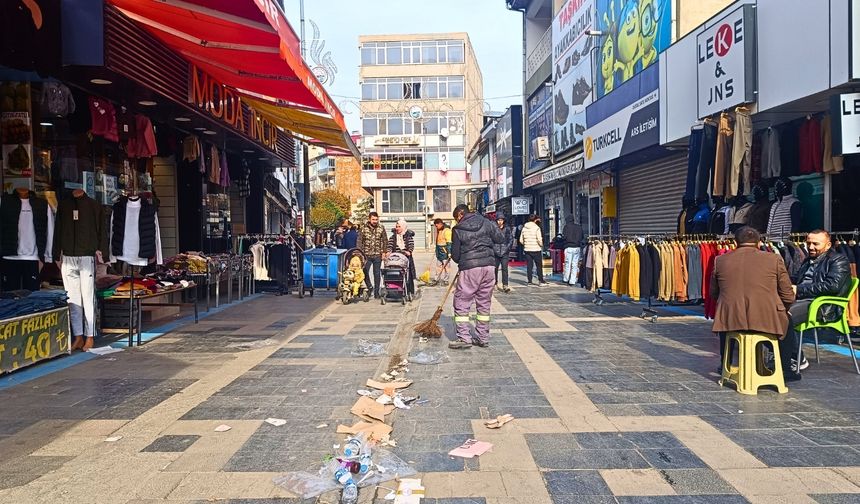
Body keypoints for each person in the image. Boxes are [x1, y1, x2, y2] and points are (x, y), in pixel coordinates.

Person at [710, 227, 797, 379]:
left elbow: (714, 293)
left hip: (731, 321)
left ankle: (725, 364)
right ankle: (785, 369)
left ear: (735, 242)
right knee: (787, 322)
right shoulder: (774, 259)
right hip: (766, 319)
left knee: (726, 316)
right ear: (759, 242)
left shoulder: (720, 260)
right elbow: (788, 295)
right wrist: (784, 308)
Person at [786, 229, 852, 374]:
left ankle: (797, 358)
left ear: (828, 245)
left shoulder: (838, 260)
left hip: (823, 305)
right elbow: (796, 279)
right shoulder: (808, 260)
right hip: (802, 300)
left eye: (816, 244)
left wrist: (799, 289)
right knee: (765, 312)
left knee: (783, 318)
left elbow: (832, 286)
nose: (810, 247)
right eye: (808, 243)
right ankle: (781, 354)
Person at [449, 204, 505, 349]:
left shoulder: (458, 229)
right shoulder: (486, 222)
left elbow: (455, 256)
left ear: (460, 215)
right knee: (484, 302)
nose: (457, 222)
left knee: (462, 301)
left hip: (470, 269)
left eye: (456, 218)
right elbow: (500, 238)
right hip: (489, 267)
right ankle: (483, 337)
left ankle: (464, 338)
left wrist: (463, 257)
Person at [357, 212, 387, 298]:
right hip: (366, 255)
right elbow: (359, 241)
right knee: (364, 272)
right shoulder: (363, 228)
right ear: (369, 219)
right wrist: (359, 253)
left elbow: (385, 240)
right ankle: (370, 286)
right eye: (373, 219)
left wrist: (384, 252)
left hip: (377, 254)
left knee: (376, 274)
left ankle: (376, 292)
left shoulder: (381, 228)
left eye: (376, 219)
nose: (375, 221)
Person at [388, 218, 416, 295]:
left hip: (405, 259)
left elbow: (411, 246)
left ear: (403, 227)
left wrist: (408, 252)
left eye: (399, 226)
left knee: (407, 275)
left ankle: (408, 291)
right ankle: (395, 289)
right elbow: (390, 246)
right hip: (395, 259)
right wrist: (388, 252)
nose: (397, 228)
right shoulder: (393, 237)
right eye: (396, 226)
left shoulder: (408, 237)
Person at [520, 214, 547, 286]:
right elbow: (539, 239)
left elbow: (521, 240)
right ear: (535, 220)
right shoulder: (537, 228)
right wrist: (541, 245)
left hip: (527, 250)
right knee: (539, 265)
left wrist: (526, 244)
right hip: (536, 249)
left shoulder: (524, 228)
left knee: (529, 266)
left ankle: (529, 281)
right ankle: (540, 281)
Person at [494, 212, 514, 293]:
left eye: (501, 220)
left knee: (505, 269)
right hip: (496, 251)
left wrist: (507, 248)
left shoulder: (507, 228)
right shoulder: (494, 228)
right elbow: (491, 239)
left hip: (505, 251)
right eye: (498, 220)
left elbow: (511, 239)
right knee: (494, 269)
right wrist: (493, 248)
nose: (500, 222)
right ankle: (494, 283)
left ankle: (505, 284)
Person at [561, 215, 584, 286]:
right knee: (575, 264)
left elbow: (564, 237)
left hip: (568, 247)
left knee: (568, 264)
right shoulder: (579, 227)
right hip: (577, 247)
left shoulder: (566, 227)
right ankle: (572, 281)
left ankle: (566, 278)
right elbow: (582, 237)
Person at [433, 218, 452, 285]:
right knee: (438, 267)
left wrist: (449, 252)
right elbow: (438, 241)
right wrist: (436, 250)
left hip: (445, 252)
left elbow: (449, 243)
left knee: (447, 267)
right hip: (439, 251)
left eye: (436, 225)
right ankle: (436, 279)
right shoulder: (439, 230)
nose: (436, 227)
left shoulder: (447, 231)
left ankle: (446, 280)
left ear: (440, 224)